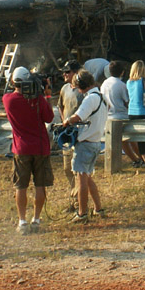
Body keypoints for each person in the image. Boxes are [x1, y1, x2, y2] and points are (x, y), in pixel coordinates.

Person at [3, 67, 54, 234]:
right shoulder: (38, 99)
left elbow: (8, 91)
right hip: (40, 146)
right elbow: (49, 118)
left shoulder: (8, 100)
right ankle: (37, 219)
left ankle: (22, 221)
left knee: (21, 186)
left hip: (20, 148)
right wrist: (46, 94)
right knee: (40, 185)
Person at [60, 70, 108, 223]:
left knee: (81, 179)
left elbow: (78, 117)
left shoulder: (89, 100)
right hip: (95, 142)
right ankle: (98, 208)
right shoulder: (101, 97)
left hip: (85, 144)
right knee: (87, 177)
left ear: (81, 86)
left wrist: (66, 121)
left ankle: (82, 213)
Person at [100, 60, 144, 168]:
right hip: (121, 115)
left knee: (123, 141)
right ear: (122, 72)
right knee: (132, 139)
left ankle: (135, 159)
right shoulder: (121, 85)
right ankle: (143, 159)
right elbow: (127, 101)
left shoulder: (104, 84)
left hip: (108, 116)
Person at [56, 59, 83, 210]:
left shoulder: (82, 91)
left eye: (68, 72)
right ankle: (74, 199)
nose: (64, 74)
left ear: (76, 73)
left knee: (77, 169)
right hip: (67, 133)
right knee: (67, 168)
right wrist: (64, 121)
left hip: (78, 133)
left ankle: (79, 202)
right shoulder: (65, 88)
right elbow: (60, 106)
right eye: (64, 72)